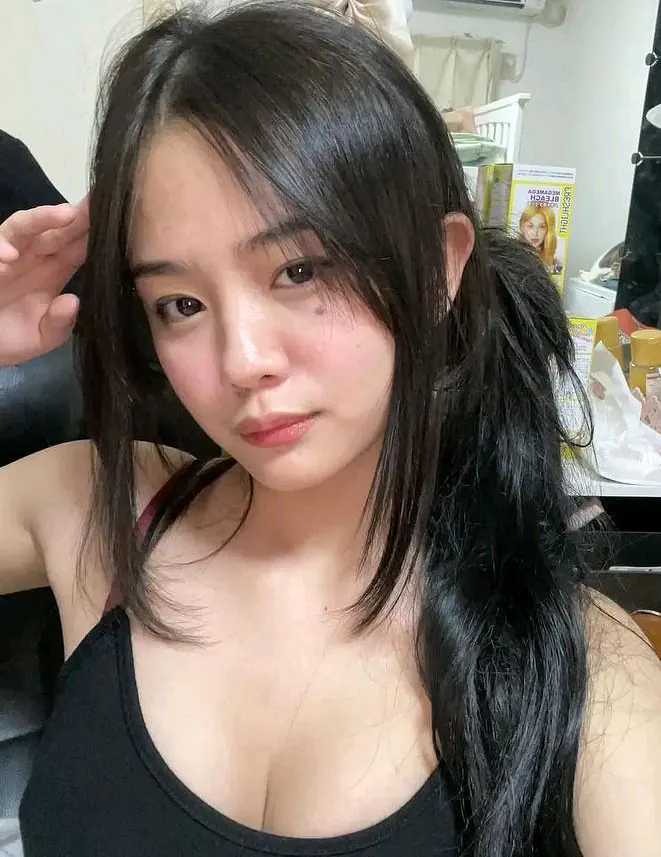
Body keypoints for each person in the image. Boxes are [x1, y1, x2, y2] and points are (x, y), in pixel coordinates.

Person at [0, 3, 659, 856]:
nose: (242, 359)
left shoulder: (578, 667)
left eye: (299, 269)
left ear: (437, 268)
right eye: (181, 303)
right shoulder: (95, 509)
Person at [519, 203, 564, 275]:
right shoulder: (510, 256)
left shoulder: (556, 263)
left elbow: (557, 277)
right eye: (530, 226)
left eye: (542, 227)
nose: (535, 233)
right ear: (521, 227)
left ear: (548, 230)